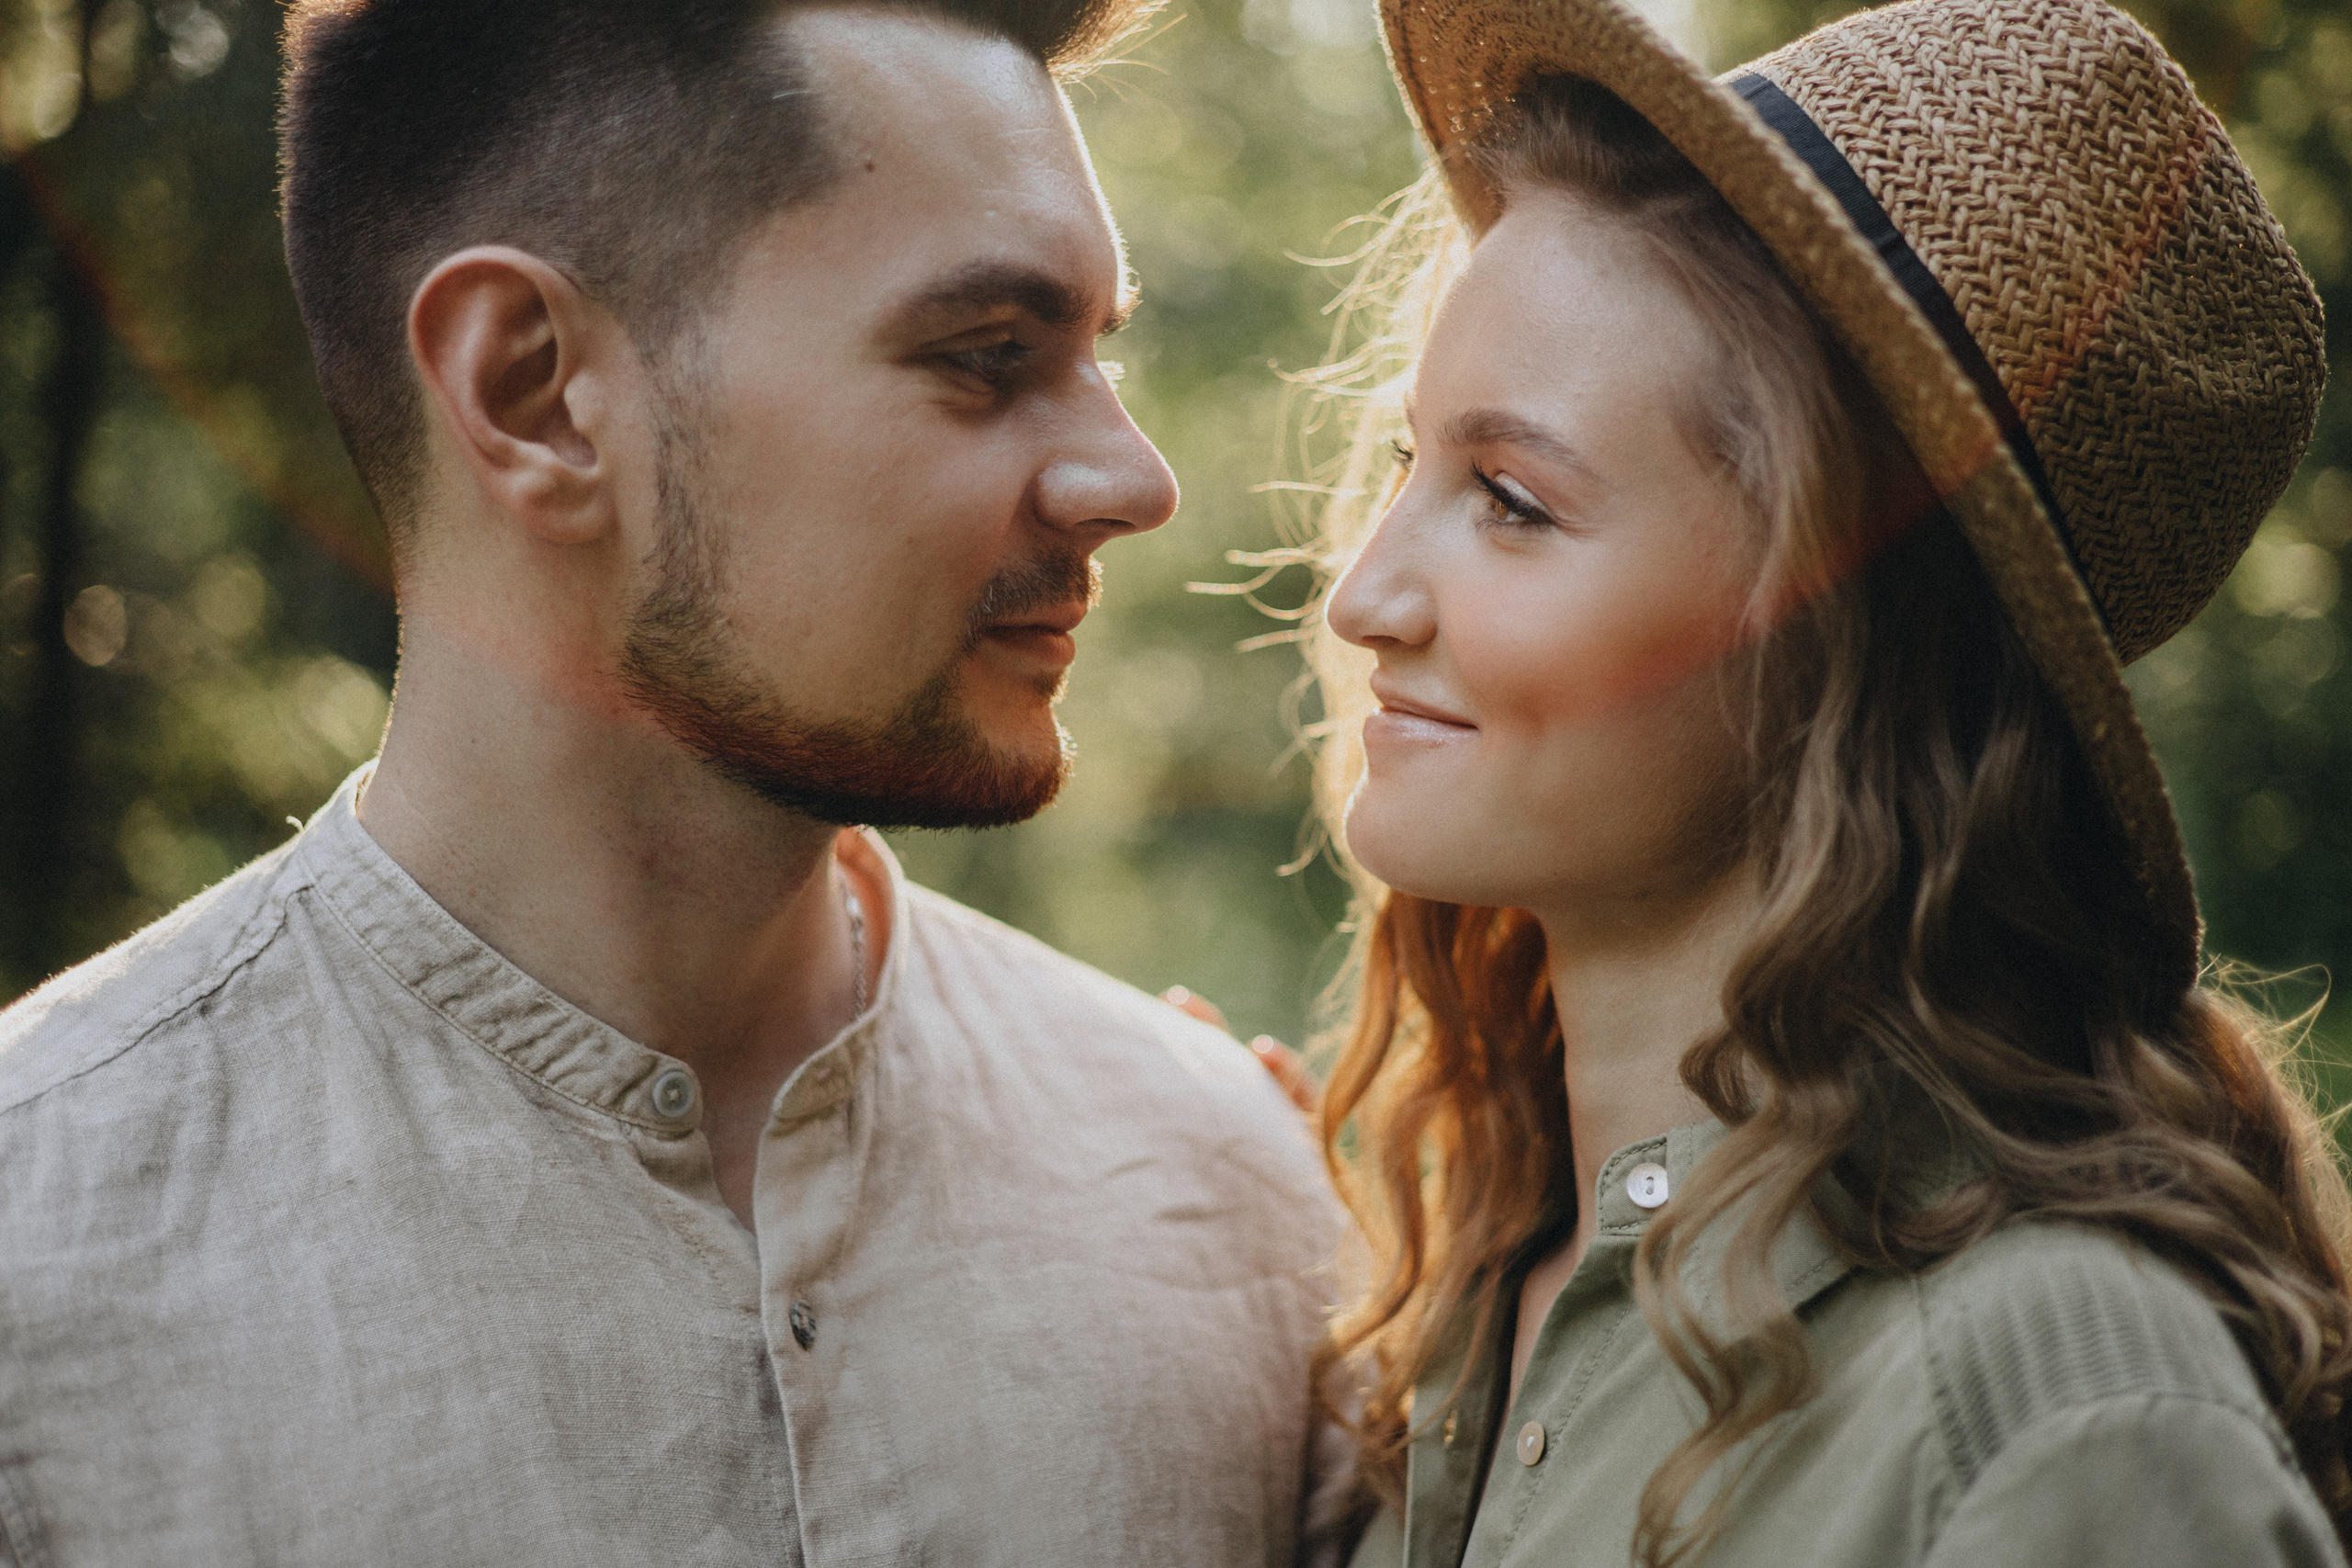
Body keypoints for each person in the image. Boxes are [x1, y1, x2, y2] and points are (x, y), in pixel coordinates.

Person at [0, 1, 1344, 1562]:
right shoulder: (40, 1254)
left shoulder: (1229, 1202)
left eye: (1099, 356)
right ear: (533, 391)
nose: (1134, 479)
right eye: (987, 359)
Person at [1303, 0, 2352, 1562]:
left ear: (1828, 625)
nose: (1364, 595)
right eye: (1410, 469)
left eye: (1512, 501)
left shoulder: (2058, 1417)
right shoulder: (1474, 1294)